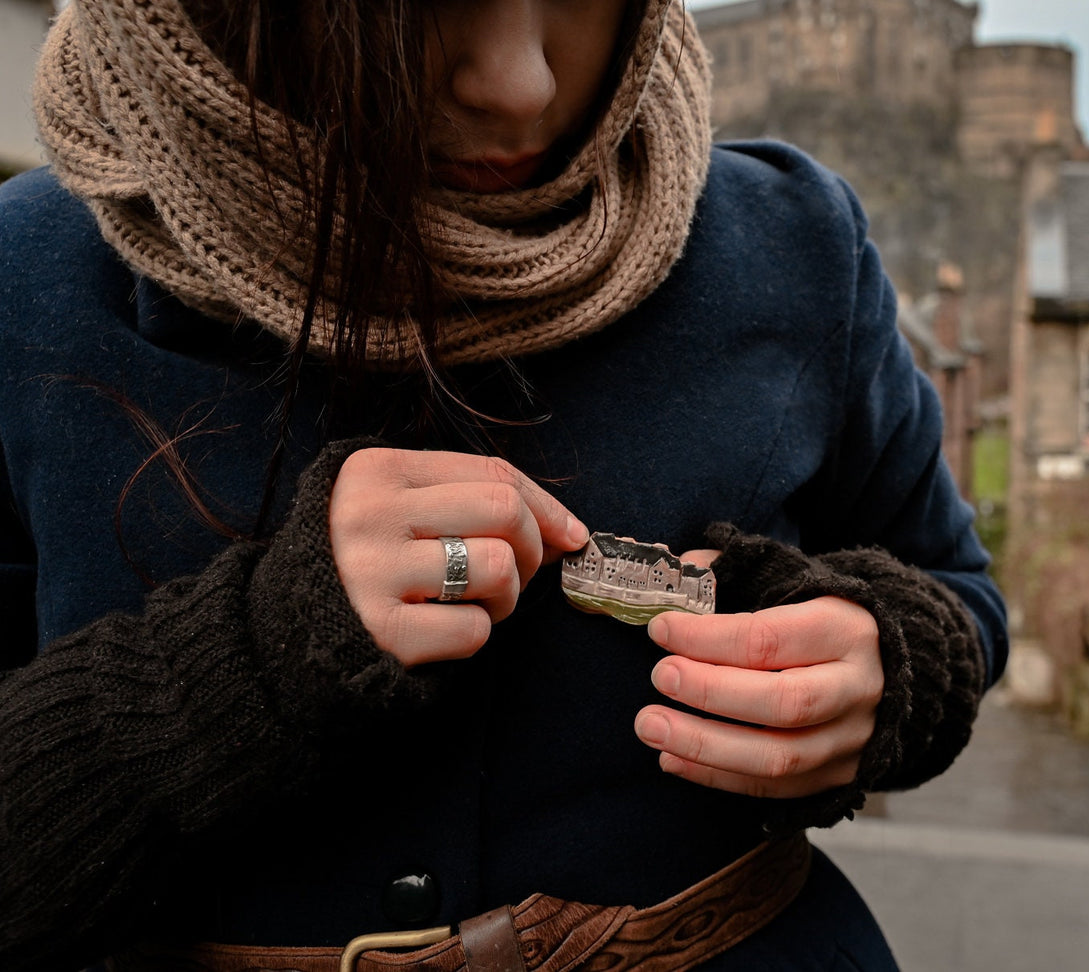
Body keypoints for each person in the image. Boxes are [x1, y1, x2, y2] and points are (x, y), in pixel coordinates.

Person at [0, 0, 1008, 968]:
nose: (520, 84)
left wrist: (889, 670)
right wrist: (247, 662)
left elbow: (957, 592)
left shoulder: (795, 246)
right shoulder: (24, 278)